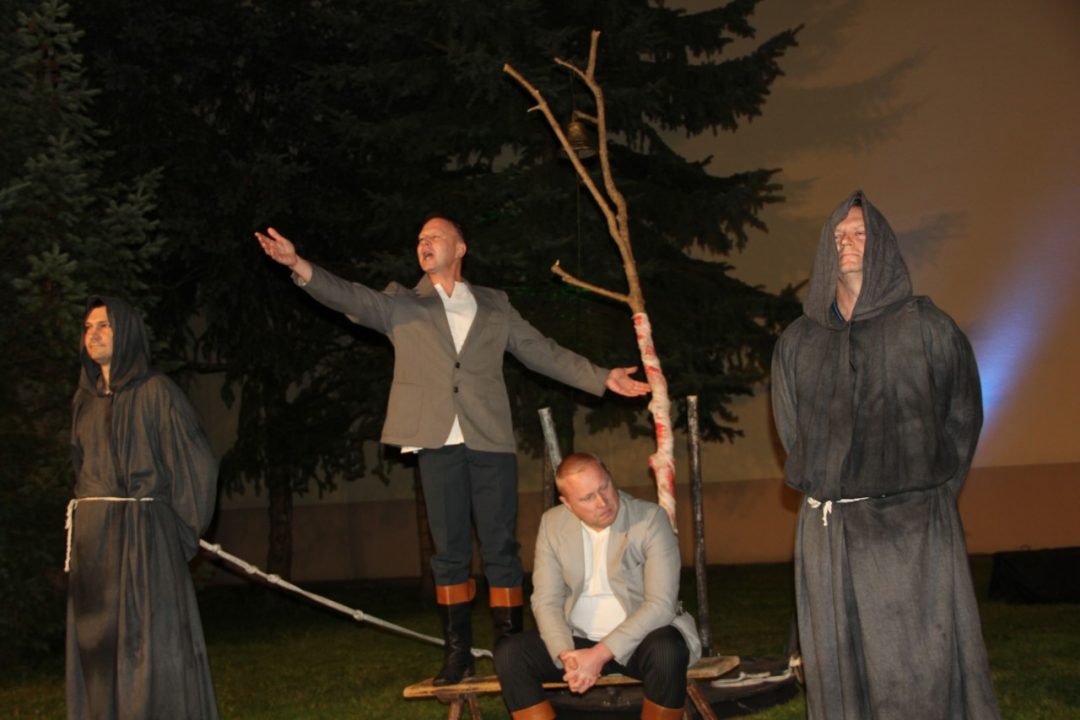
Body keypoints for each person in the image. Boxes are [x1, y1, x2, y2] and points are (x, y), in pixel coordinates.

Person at [255, 217, 650, 684]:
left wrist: (601, 376)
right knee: (451, 553)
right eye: (419, 239)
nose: (424, 243)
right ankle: (457, 654)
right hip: (436, 440)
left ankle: (511, 651)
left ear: (460, 248)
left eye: (434, 237)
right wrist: (298, 264)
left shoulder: (495, 304)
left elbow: (541, 350)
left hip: (489, 438)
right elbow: (349, 296)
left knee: (501, 548)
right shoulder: (401, 302)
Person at [770, 191, 1000, 719]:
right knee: (839, 670)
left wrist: (923, 496)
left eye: (860, 234)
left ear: (884, 247)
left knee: (917, 669)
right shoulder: (799, 342)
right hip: (829, 532)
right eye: (838, 236)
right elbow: (792, 431)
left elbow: (962, 418)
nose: (847, 243)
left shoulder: (927, 328)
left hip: (910, 530)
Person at [66, 296, 219, 719]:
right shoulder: (84, 401)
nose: (94, 334)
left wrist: (177, 534)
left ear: (128, 332)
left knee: (148, 646)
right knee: (98, 648)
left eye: (104, 325)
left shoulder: (156, 392)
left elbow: (196, 465)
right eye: (88, 327)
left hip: (144, 540)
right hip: (94, 544)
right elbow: (81, 468)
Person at [493, 453, 701, 720]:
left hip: (640, 640)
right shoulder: (553, 524)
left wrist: (599, 655)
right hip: (578, 638)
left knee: (666, 652)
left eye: (605, 487)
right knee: (510, 654)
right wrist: (566, 655)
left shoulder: (650, 519)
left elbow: (660, 605)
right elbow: (546, 601)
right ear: (568, 504)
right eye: (588, 498)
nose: (603, 502)